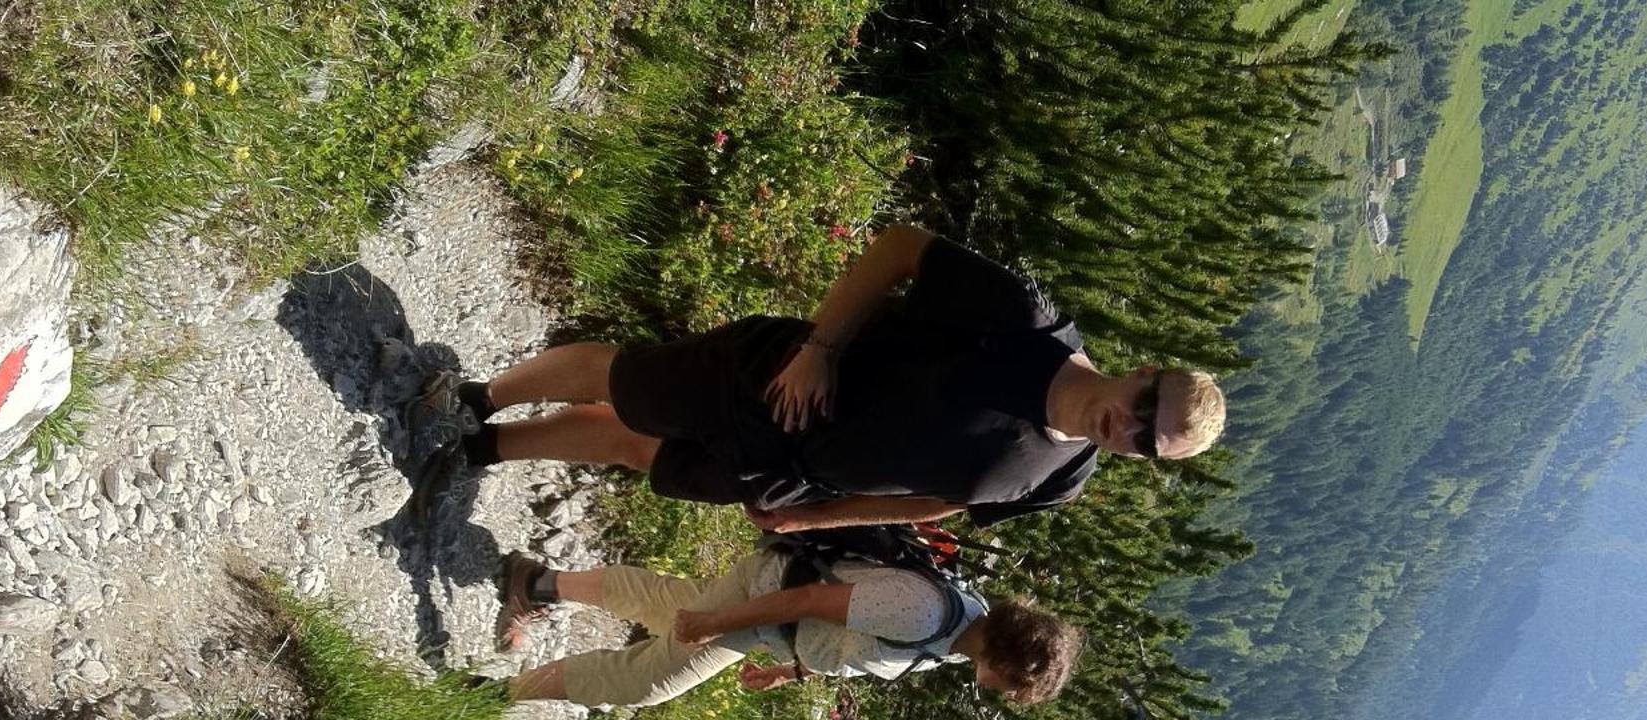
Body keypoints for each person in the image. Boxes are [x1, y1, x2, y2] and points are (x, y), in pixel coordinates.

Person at [418, 224, 1226, 532]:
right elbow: (901, 248)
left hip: (793, 473)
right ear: (1145, 371)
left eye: (1150, 445)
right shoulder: (1026, 321)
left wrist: (815, 520)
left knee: (643, 454)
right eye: (1145, 406)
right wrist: (821, 348)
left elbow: (941, 501)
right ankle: (474, 397)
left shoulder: (1067, 478)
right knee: (627, 383)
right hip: (776, 377)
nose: (1131, 428)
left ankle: (486, 448)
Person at [486, 543, 1081, 708]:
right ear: (1005, 661)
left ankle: (536, 583)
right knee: (646, 684)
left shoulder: (962, 630)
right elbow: (813, 599)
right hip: (764, 599)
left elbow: (855, 640)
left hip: (772, 624)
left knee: (664, 604)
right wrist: (721, 622)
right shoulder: (926, 614)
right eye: (1013, 686)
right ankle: (499, 697)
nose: (1003, 694)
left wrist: (789, 671)